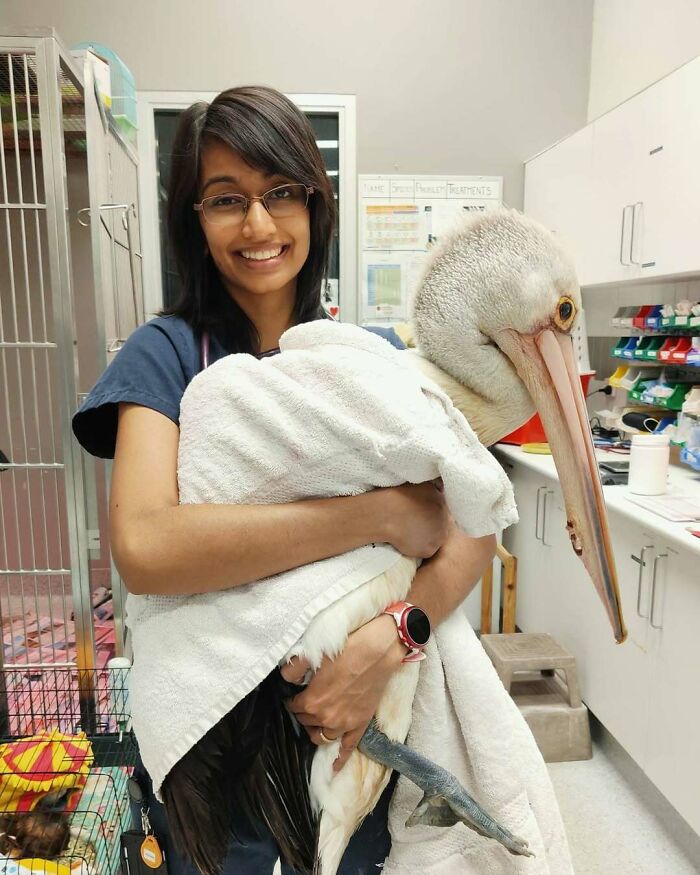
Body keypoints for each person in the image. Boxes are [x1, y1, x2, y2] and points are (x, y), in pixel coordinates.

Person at [72, 86, 496, 875]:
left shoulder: (365, 354)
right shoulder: (166, 355)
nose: (259, 225)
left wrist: (392, 639)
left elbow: (473, 522)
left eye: (280, 193)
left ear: (314, 205)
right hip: (220, 758)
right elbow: (146, 546)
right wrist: (376, 514)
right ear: (193, 219)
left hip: (350, 737)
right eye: (226, 198)